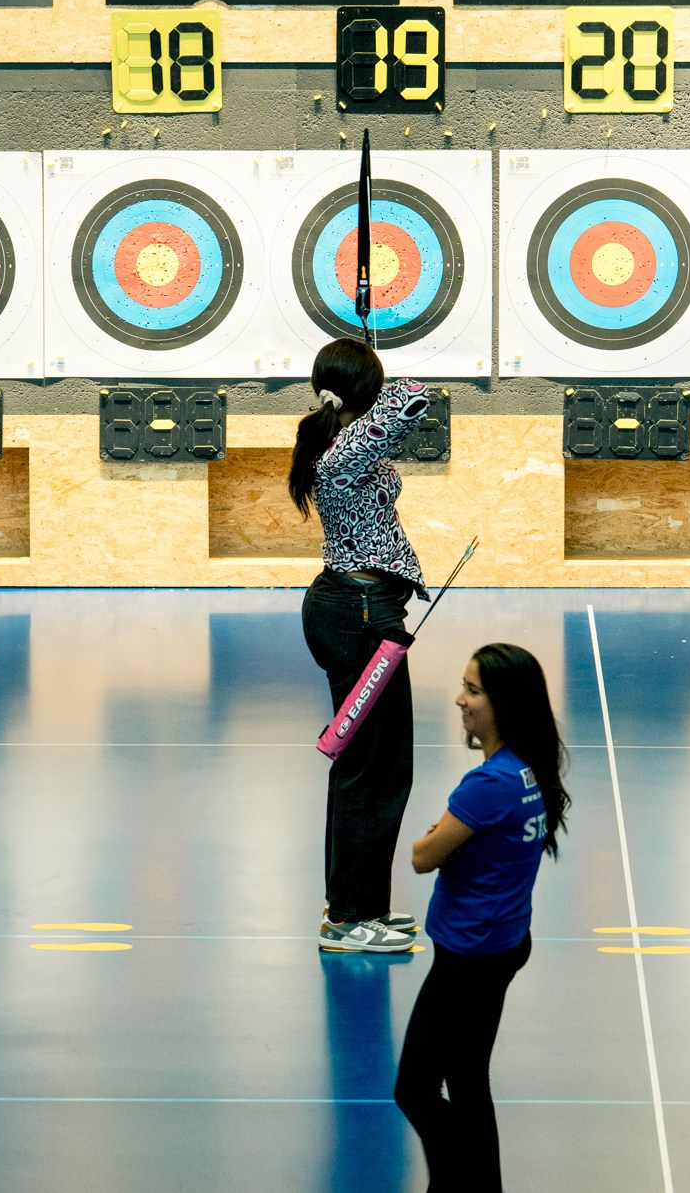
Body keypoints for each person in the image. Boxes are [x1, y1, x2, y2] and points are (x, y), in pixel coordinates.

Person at [394, 643, 568, 1191]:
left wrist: (439, 838)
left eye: (473, 690)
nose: (459, 700)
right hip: (506, 941)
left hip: (469, 956)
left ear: (504, 703)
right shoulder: (529, 768)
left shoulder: (487, 785)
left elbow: (423, 857)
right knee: (468, 1080)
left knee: (416, 1089)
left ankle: (456, 1183)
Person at [289, 339, 429, 953]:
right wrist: (376, 374)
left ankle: (361, 904)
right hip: (359, 612)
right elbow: (413, 396)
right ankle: (350, 918)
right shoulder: (344, 447)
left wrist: (358, 377)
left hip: (359, 609)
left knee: (373, 765)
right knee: (371, 769)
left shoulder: (340, 442)